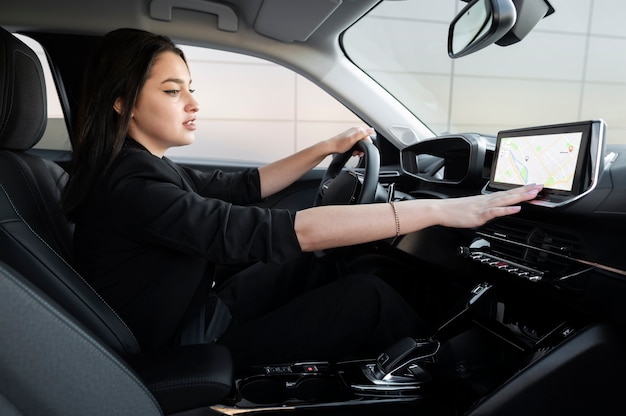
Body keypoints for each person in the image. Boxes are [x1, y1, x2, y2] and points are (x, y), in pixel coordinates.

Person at [61, 28, 542, 368]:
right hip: (177, 346)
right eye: (172, 90)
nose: (193, 103)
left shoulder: (141, 166)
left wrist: (328, 147)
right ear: (121, 102)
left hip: (192, 311)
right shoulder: (134, 188)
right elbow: (291, 230)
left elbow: (245, 188)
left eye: (191, 88)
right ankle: (459, 374)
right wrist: (441, 208)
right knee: (367, 298)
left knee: (315, 262)